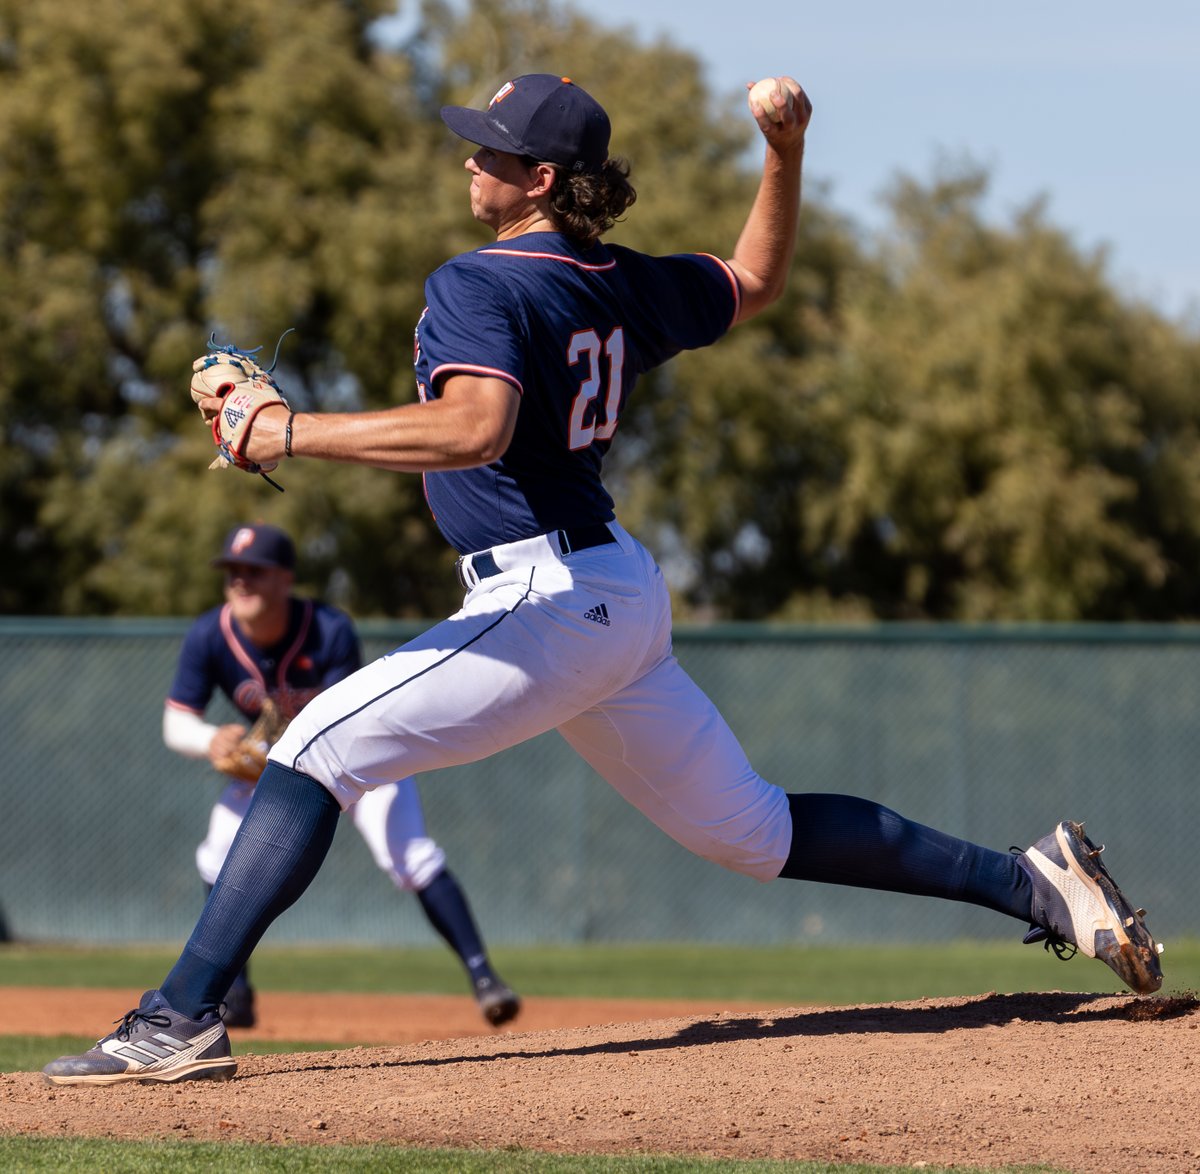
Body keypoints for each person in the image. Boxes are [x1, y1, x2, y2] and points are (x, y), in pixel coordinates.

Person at [44, 72, 1162, 1087]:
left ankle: (179, 1017)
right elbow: (758, 279)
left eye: (489, 151)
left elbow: (477, 427)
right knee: (755, 832)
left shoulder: (479, 281)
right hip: (612, 596)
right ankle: (1032, 880)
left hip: (544, 600)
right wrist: (785, 150)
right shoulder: (616, 281)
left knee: (315, 747)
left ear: (539, 180)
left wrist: (292, 432)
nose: (467, 161)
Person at [161, 521, 520, 1030]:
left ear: (285, 578)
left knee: (409, 856)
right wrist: (209, 740)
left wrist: (254, 748)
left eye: (254, 572)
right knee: (216, 852)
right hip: (274, 766)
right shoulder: (209, 634)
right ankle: (233, 996)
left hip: (359, 758)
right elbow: (176, 723)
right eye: (232, 571)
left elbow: (336, 725)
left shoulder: (327, 628)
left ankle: (486, 978)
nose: (240, 581)